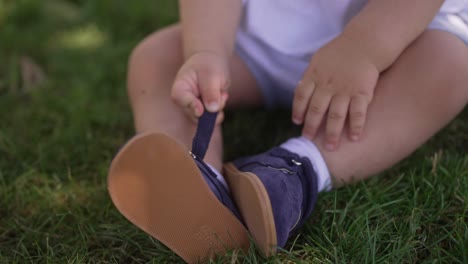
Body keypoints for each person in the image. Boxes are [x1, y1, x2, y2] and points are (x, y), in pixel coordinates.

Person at [107, 0, 468, 263]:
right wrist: (207, 51)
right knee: (157, 57)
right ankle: (194, 175)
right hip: (266, 40)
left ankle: (295, 171)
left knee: (450, 66)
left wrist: (364, 51)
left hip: (392, 45)